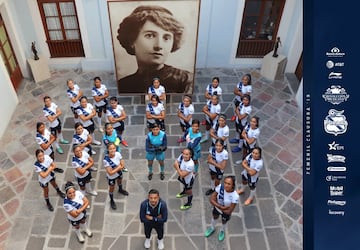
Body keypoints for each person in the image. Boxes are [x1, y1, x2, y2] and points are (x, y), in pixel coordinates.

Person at [117, 5, 193, 94]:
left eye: (166, 38)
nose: (159, 45)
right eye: (150, 35)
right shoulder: (123, 85)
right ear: (132, 41)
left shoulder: (185, 80)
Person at [204, 176, 239, 241]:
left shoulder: (235, 196)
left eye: (229, 184)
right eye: (225, 183)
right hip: (218, 208)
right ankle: (212, 228)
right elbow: (211, 199)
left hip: (223, 212)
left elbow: (229, 211)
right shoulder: (220, 187)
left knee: (224, 221)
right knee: (214, 217)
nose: (226, 185)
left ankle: (222, 230)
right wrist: (220, 207)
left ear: (233, 185)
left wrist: (216, 204)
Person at [103, 143, 129, 210]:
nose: (112, 150)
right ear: (108, 150)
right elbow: (110, 173)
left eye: (114, 148)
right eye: (110, 149)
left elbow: (122, 163)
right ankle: (111, 200)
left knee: (120, 181)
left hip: (119, 173)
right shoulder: (106, 160)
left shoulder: (118, 154)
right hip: (111, 177)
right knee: (112, 187)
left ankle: (120, 189)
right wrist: (119, 167)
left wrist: (117, 168)